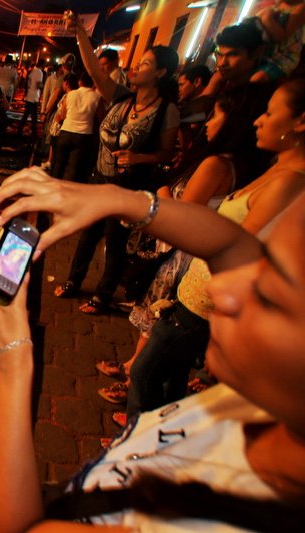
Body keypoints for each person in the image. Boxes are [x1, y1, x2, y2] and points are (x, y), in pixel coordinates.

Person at [0, 167, 305, 532]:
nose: (222, 290)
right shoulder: (272, 409)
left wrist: (12, 363)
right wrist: (118, 200)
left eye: (270, 295)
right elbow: (230, 243)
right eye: (263, 262)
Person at [122, 78, 305, 418]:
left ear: (300, 121)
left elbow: (239, 254)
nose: (258, 121)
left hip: (205, 306)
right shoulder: (274, 168)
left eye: (269, 112)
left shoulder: (291, 183)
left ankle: (136, 453)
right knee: (168, 383)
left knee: (143, 374)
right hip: (196, 296)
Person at [96, 84, 274, 407]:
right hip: (198, 277)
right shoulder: (252, 168)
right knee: (169, 366)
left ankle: (137, 436)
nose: (207, 122)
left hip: (192, 275)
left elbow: (180, 215)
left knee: (149, 368)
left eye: (215, 115)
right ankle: (142, 396)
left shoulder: (221, 165)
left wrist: (158, 190)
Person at [54, 13, 180, 315]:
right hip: (100, 179)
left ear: (161, 72)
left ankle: (103, 294)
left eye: (145, 63)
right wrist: (81, 36)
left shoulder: (167, 111)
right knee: (88, 235)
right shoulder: (122, 97)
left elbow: (167, 153)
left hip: (127, 188)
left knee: (115, 242)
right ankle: (73, 281)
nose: (136, 67)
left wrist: (140, 157)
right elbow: (95, 72)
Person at [52, 71, 103, 183]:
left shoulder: (71, 94)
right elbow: (100, 118)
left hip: (66, 131)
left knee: (58, 165)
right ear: (93, 83)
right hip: (83, 135)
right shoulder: (97, 97)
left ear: (80, 82)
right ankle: (65, 193)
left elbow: (63, 115)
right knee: (73, 169)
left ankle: (51, 188)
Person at [251, 0, 305, 82]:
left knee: (257, 78)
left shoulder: (301, 7)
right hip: (263, 52)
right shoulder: (276, 4)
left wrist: (267, 18)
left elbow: (281, 36)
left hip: (283, 58)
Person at [19, 61, 43, 138]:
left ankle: (20, 129)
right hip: (34, 97)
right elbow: (38, 85)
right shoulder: (39, 72)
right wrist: (43, 86)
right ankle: (33, 133)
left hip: (29, 95)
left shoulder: (32, 71)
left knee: (26, 115)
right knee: (34, 116)